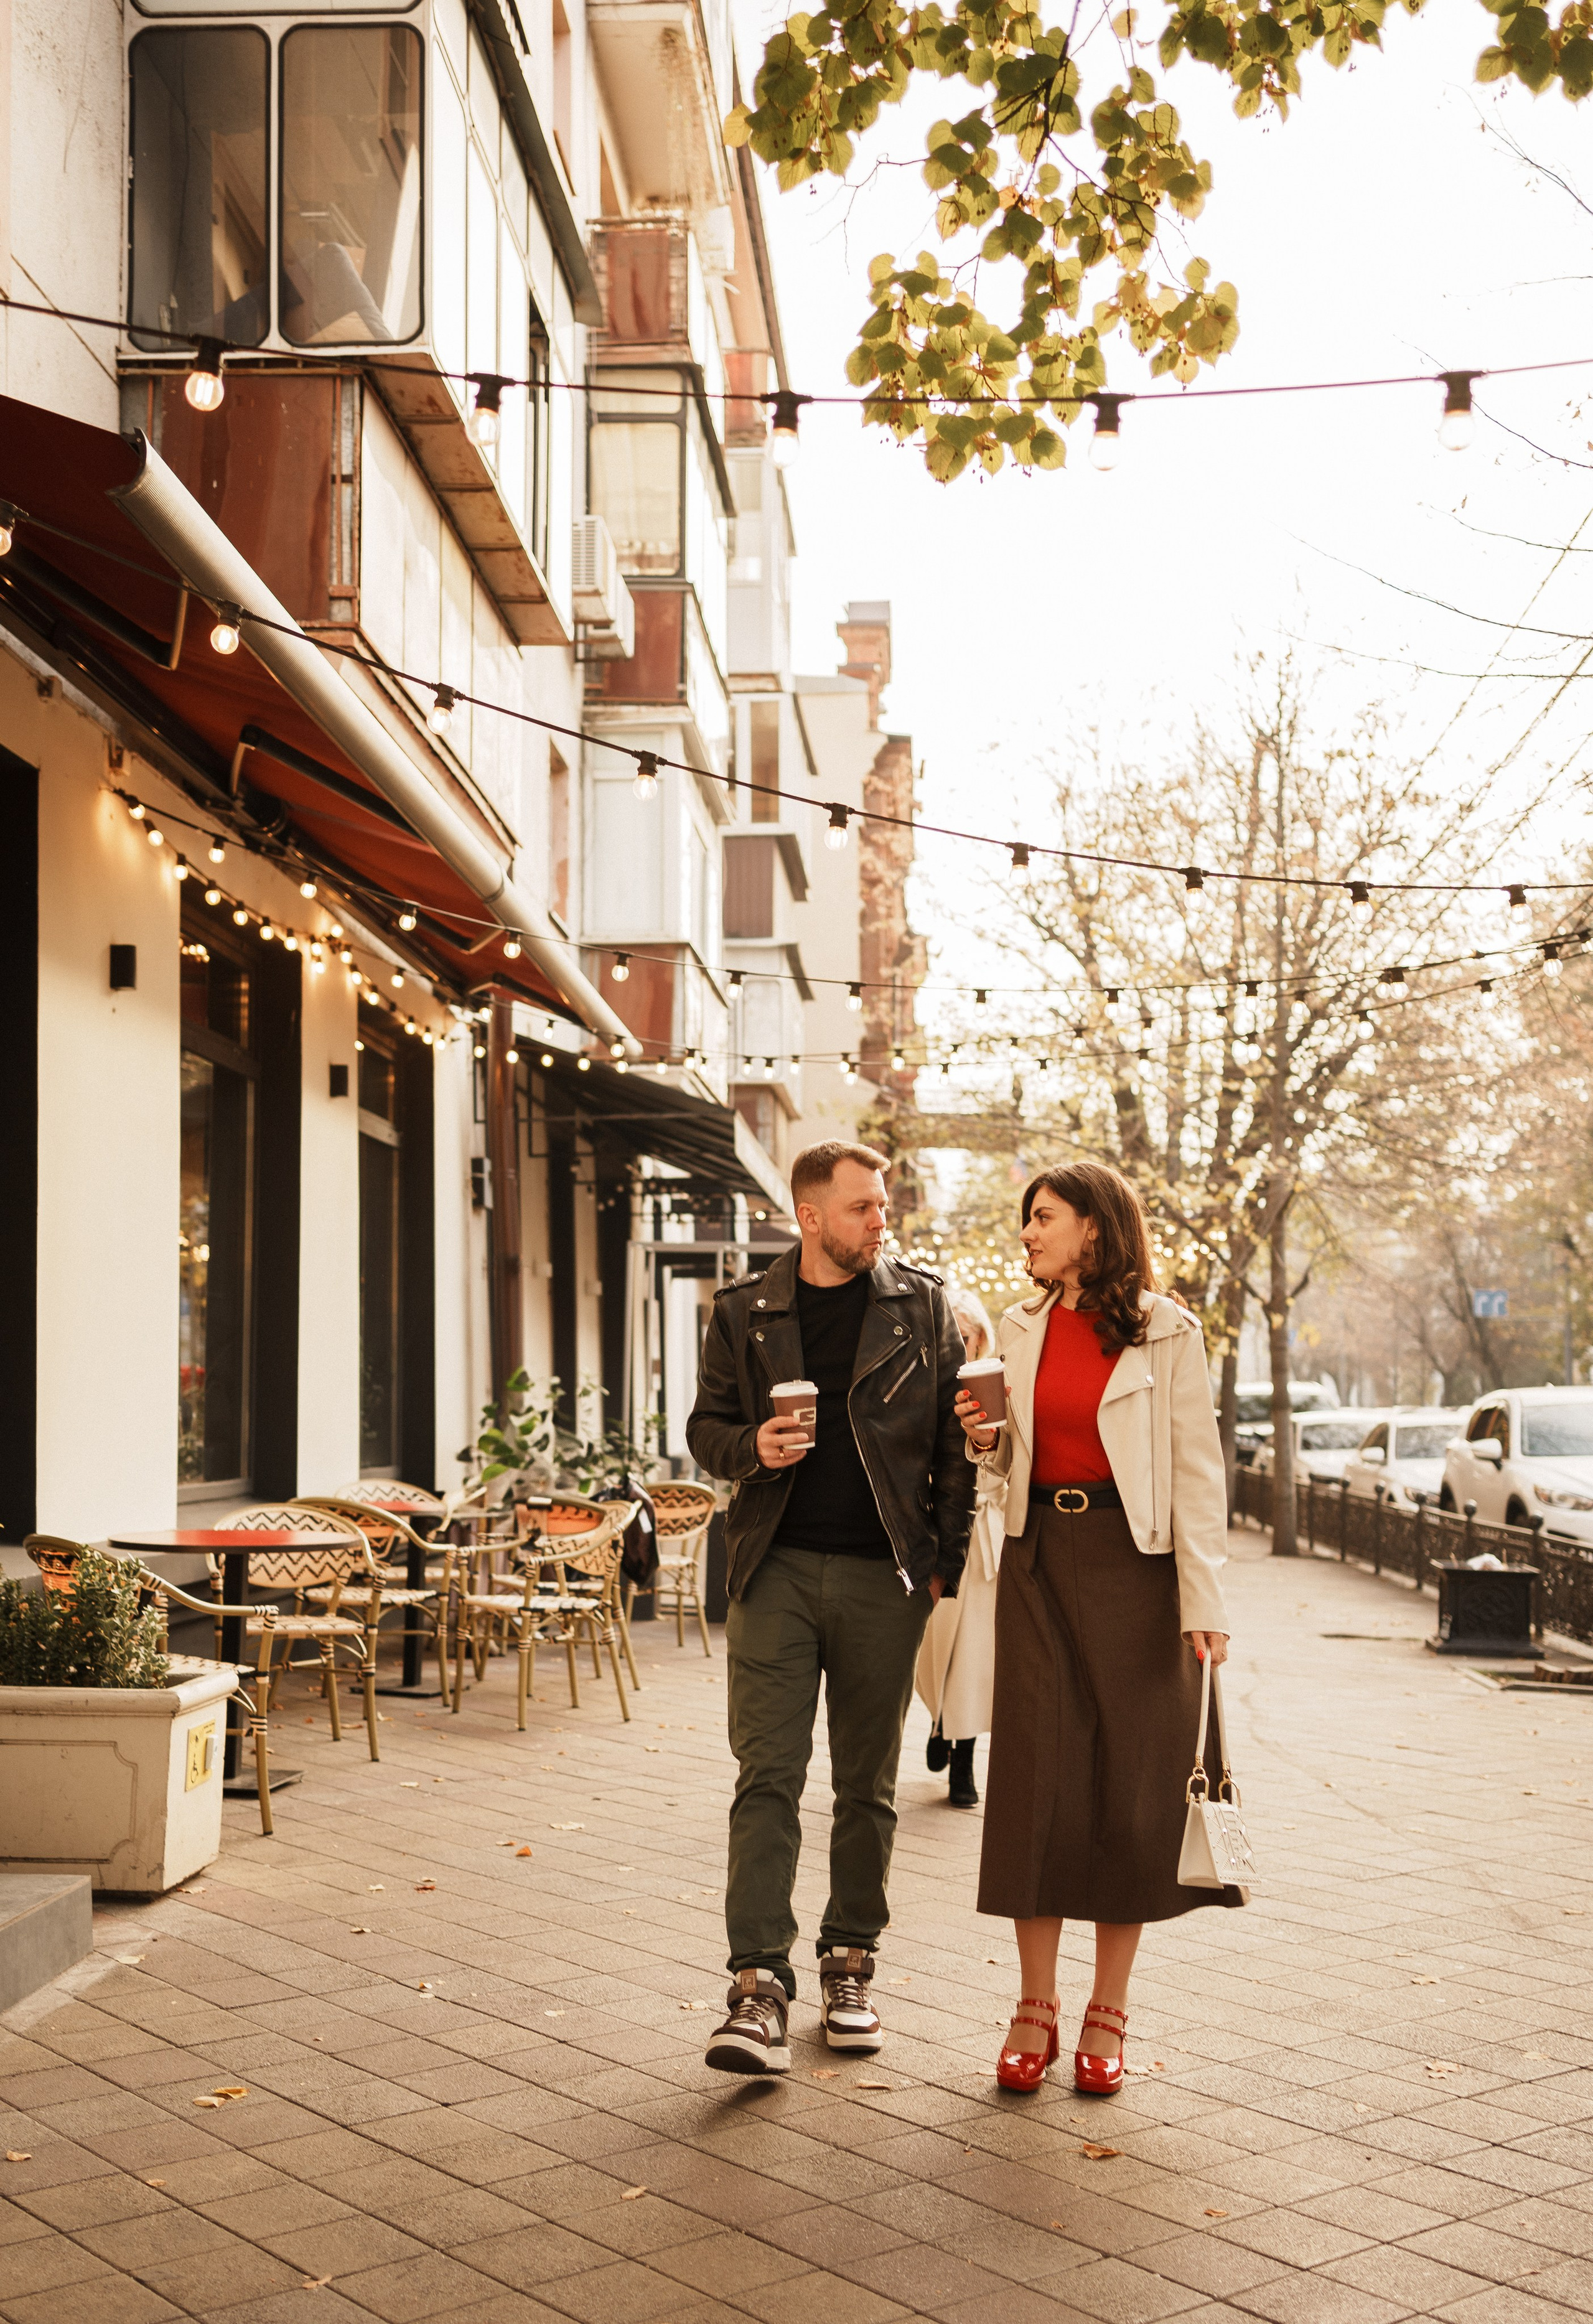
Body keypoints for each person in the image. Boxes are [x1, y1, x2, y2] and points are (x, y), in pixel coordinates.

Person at [687, 1141, 975, 2075]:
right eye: (861, 1207)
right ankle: (758, 1986)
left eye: (883, 1205)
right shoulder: (745, 1310)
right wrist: (751, 1446)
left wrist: (945, 1568)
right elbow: (704, 1427)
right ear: (811, 1217)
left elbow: (952, 1448)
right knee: (766, 1774)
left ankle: (851, 1961)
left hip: (883, 1577)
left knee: (867, 1784)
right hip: (772, 1570)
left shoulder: (921, 1306)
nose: (879, 1219)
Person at [955, 1160, 1233, 2098]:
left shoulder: (1168, 1330)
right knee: (1036, 1780)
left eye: (1043, 1216)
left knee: (1131, 1788)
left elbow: (1198, 1475)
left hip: (1140, 1572)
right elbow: (1000, 1476)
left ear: (1094, 1228)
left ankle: (1107, 2008)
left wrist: (1206, 1603)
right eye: (1027, 1218)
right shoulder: (1021, 1327)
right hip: (1039, 1563)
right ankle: (1034, 2004)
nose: (1027, 1233)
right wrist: (986, 1443)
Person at [916, 1285, 1002, 1808]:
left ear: (979, 1338)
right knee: (933, 1648)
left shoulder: (996, 1383)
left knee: (973, 1654)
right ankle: (939, 1725)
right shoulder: (922, 1387)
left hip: (988, 1540)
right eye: (949, 1334)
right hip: (934, 1534)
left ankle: (964, 1761)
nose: (957, 1343)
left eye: (964, 1335)